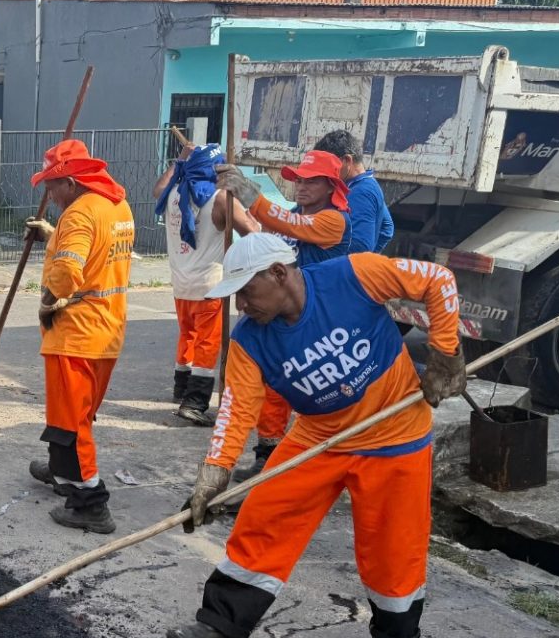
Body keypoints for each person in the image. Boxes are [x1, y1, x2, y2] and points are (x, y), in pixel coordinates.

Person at [166, 234, 467, 638]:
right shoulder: (250, 339)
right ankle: (220, 624)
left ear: (278, 273)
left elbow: (438, 279)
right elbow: (236, 408)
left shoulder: (354, 274)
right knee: (263, 518)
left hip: (394, 434)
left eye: (247, 292)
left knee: (392, 545)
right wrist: (215, 474)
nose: (243, 306)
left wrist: (445, 352)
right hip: (317, 436)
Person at [216, 150, 353, 480]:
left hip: (318, 319)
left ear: (331, 186)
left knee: (319, 392)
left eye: (312, 181)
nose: (302, 187)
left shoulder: (335, 220)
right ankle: (268, 454)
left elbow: (290, 225)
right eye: (299, 180)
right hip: (282, 314)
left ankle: (330, 460)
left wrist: (249, 195)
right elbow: (271, 234)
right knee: (272, 389)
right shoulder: (290, 213)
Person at [23, 139, 135, 534]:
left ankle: (89, 502)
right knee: (78, 411)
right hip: (107, 330)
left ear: (71, 182)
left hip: (77, 331)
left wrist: (49, 301)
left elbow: (70, 272)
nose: (49, 195)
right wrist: (51, 235)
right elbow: (96, 255)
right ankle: (62, 473)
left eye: (52, 187)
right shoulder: (117, 205)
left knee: (72, 422)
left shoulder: (79, 214)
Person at [152, 140, 259, 425]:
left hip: (181, 284)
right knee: (207, 344)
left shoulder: (174, 193)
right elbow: (252, 230)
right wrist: (242, 194)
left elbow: (157, 188)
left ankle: (181, 386)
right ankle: (195, 403)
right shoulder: (220, 199)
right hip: (210, 285)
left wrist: (179, 161)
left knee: (187, 335)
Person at [314, 129, 393, 254]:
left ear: (347, 160)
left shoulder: (359, 192)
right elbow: (386, 229)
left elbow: (359, 247)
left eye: (327, 165)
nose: (323, 172)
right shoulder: (369, 184)